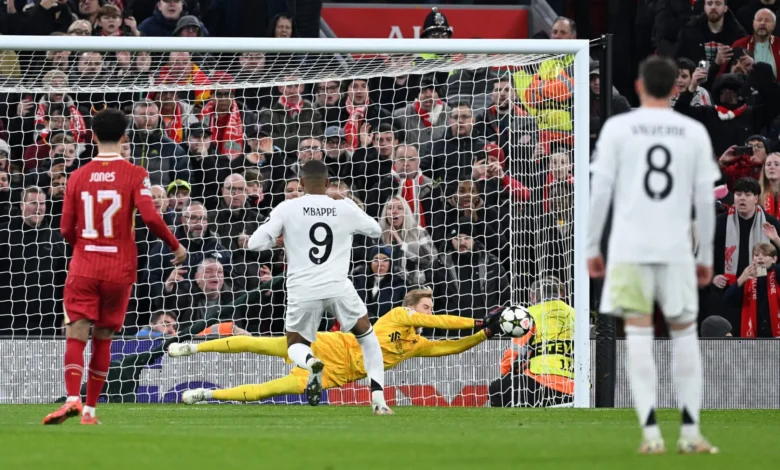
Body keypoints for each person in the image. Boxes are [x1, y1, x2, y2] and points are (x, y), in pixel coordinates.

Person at [588, 57, 721, 454]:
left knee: (640, 339)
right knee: (683, 338)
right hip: (676, 248)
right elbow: (704, 199)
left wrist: (593, 246)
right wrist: (706, 255)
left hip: (629, 249)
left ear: (639, 86)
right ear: (675, 88)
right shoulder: (692, 130)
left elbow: (601, 193)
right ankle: (691, 432)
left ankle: (650, 435)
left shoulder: (619, 127)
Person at [42, 108, 186, 426]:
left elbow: (66, 228)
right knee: (104, 339)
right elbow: (150, 217)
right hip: (119, 270)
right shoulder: (136, 174)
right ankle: (91, 412)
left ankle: (71, 400)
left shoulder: (77, 176)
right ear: (124, 137)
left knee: (76, 334)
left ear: (92, 136)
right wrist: (175, 245)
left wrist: (83, 247)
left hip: (84, 265)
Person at [169, 289, 503, 404]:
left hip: (334, 375)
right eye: (427, 307)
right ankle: (193, 348)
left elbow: (452, 348)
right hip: (331, 346)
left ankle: (207, 395)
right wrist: (478, 321)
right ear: (414, 307)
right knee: (261, 344)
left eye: (431, 307)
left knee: (265, 391)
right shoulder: (400, 315)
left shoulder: (416, 344)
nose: (430, 312)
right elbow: (441, 323)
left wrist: (483, 335)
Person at [244, 159, 391, 414]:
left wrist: (278, 243)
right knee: (366, 337)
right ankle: (378, 399)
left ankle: (311, 362)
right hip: (337, 286)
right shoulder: (343, 207)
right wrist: (347, 203)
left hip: (303, 290)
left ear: (300, 184)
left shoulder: (287, 208)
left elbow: (254, 244)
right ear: (327, 183)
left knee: (295, 346)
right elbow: (376, 230)